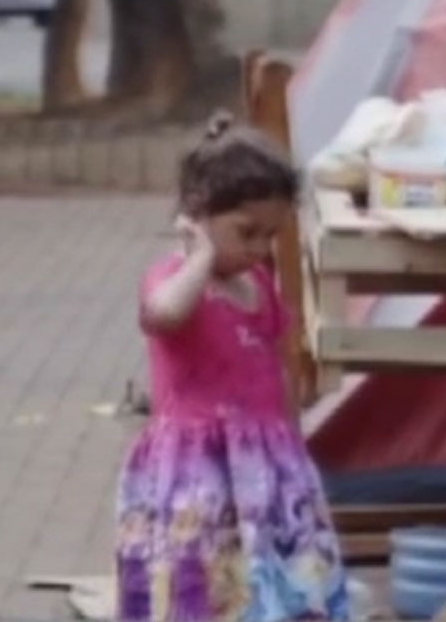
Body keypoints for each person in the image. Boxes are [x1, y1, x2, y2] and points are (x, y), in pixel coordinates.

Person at [116, 113, 350, 622]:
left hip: (269, 472)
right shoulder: (176, 280)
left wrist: (294, 448)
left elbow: (276, 368)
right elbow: (163, 316)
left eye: (270, 236)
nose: (260, 249)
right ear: (198, 214)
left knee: (278, 587)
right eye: (247, 233)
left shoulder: (259, 287)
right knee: (208, 590)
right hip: (199, 477)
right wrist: (199, 256)